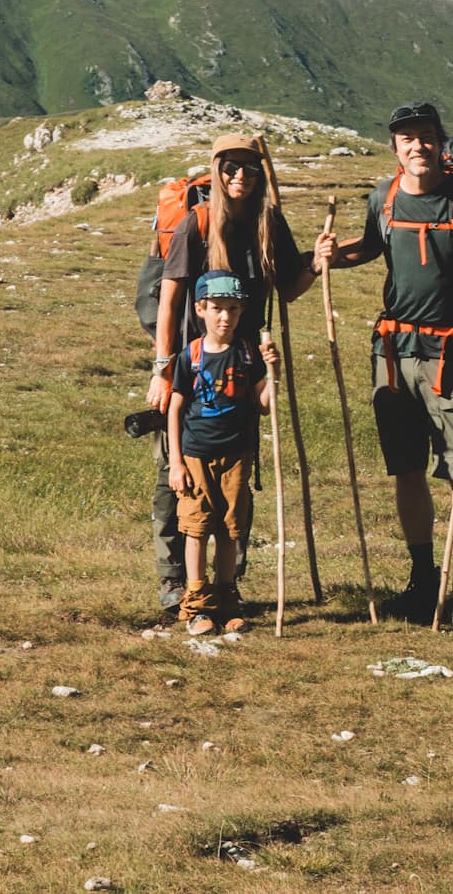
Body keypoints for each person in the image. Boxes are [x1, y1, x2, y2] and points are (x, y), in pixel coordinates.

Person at [317, 101, 453, 632]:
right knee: (406, 470)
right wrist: (329, 254)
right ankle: (420, 579)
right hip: (393, 355)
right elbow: (368, 248)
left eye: (426, 136)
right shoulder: (382, 200)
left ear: (440, 141)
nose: (418, 146)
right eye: (407, 138)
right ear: (395, 147)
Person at [145, 133, 326, 612]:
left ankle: (227, 583)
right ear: (217, 169)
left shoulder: (270, 222)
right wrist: (164, 369)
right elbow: (169, 300)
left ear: (261, 173)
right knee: (176, 473)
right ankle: (174, 581)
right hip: (193, 364)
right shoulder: (196, 224)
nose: (239, 176)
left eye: (249, 167)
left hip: (245, 369)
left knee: (235, 474)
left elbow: (288, 288)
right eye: (230, 167)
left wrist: (316, 265)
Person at [166, 271, 279, 635]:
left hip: (237, 455)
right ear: (200, 309)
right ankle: (197, 604)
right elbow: (175, 408)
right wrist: (176, 463)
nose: (225, 317)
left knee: (231, 529)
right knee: (197, 527)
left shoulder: (248, 354)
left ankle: (228, 599)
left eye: (233, 308)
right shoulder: (191, 355)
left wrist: (274, 373)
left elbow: (263, 405)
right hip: (196, 455)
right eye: (216, 308)